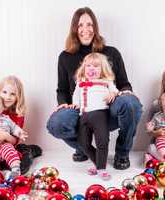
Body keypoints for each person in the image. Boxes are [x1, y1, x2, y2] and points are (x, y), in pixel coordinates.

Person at [47, 7, 142, 170]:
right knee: (56, 123)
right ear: (74, 29)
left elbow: (123, 82)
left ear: (95, 27)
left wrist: (126, 90)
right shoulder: (65, 57)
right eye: (80, 25)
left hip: (107, 107)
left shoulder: (111, 52)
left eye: (89, 24)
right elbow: (62, 89)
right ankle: (83, 149)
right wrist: (62, 103)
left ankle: (122, 154)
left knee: (131, 103)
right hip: (81, 109)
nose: (85, 30)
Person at [72, 52, 118, 179]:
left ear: (102, 69)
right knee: (83, 143)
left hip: (100, 115)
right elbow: (76, 95)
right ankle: (98, 163)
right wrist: (75, 104)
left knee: (102, 141)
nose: (91, 69)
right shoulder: (81, 81)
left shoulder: (106, 81)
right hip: (84, 115)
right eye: (88, 66)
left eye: (96, 66)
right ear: (84, 68)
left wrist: (112, 94)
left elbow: (115, 90)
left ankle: (101, 168)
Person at [145, 71, 165, 163]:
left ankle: (156, 159)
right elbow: (149, 131)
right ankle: (155, 156)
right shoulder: (157, 106)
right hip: (160, 142)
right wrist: (155, 132)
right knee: (153, 148)